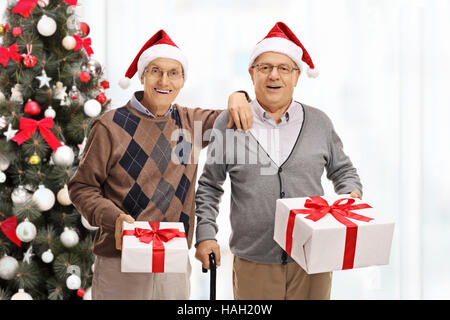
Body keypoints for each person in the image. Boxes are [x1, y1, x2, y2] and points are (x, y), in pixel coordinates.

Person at [67, 29, 252, 300]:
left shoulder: (191, 122)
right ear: (142, 76)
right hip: (120, 260)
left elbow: (236, 116)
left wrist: (239, 95)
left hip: (173, 261)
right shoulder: (109, 126)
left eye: (173, 73)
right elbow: (81, 187)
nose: (164, 80)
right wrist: (114, 218)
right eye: (155, 71)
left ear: (182, 81)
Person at [194, 22, 363, 300]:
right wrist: (206, 235)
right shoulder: (229, 122)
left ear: (297, 76)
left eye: (284, 68)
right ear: (252, 74)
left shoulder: (319, 122)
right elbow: (210, 186)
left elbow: (344, 171)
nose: (274, 75)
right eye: (265, 67)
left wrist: (350, 195)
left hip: (313, 260)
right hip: (254, 262)